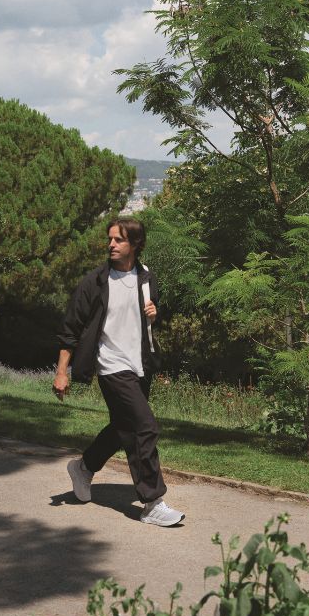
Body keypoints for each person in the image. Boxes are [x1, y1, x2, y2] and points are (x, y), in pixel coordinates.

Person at [53, 217, 185, 527]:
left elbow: (146, 318)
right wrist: (62, 371)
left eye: (119, 240)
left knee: (123, 428)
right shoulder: (95, 282)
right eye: (110, 239)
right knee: (144, 427)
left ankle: (84, 467)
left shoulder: (147, 277)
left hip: (140, 365)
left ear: (136, 244)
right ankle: (152, 502)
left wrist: (155, 313)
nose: (111, 244)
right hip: (111, 366)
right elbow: (69, 329)